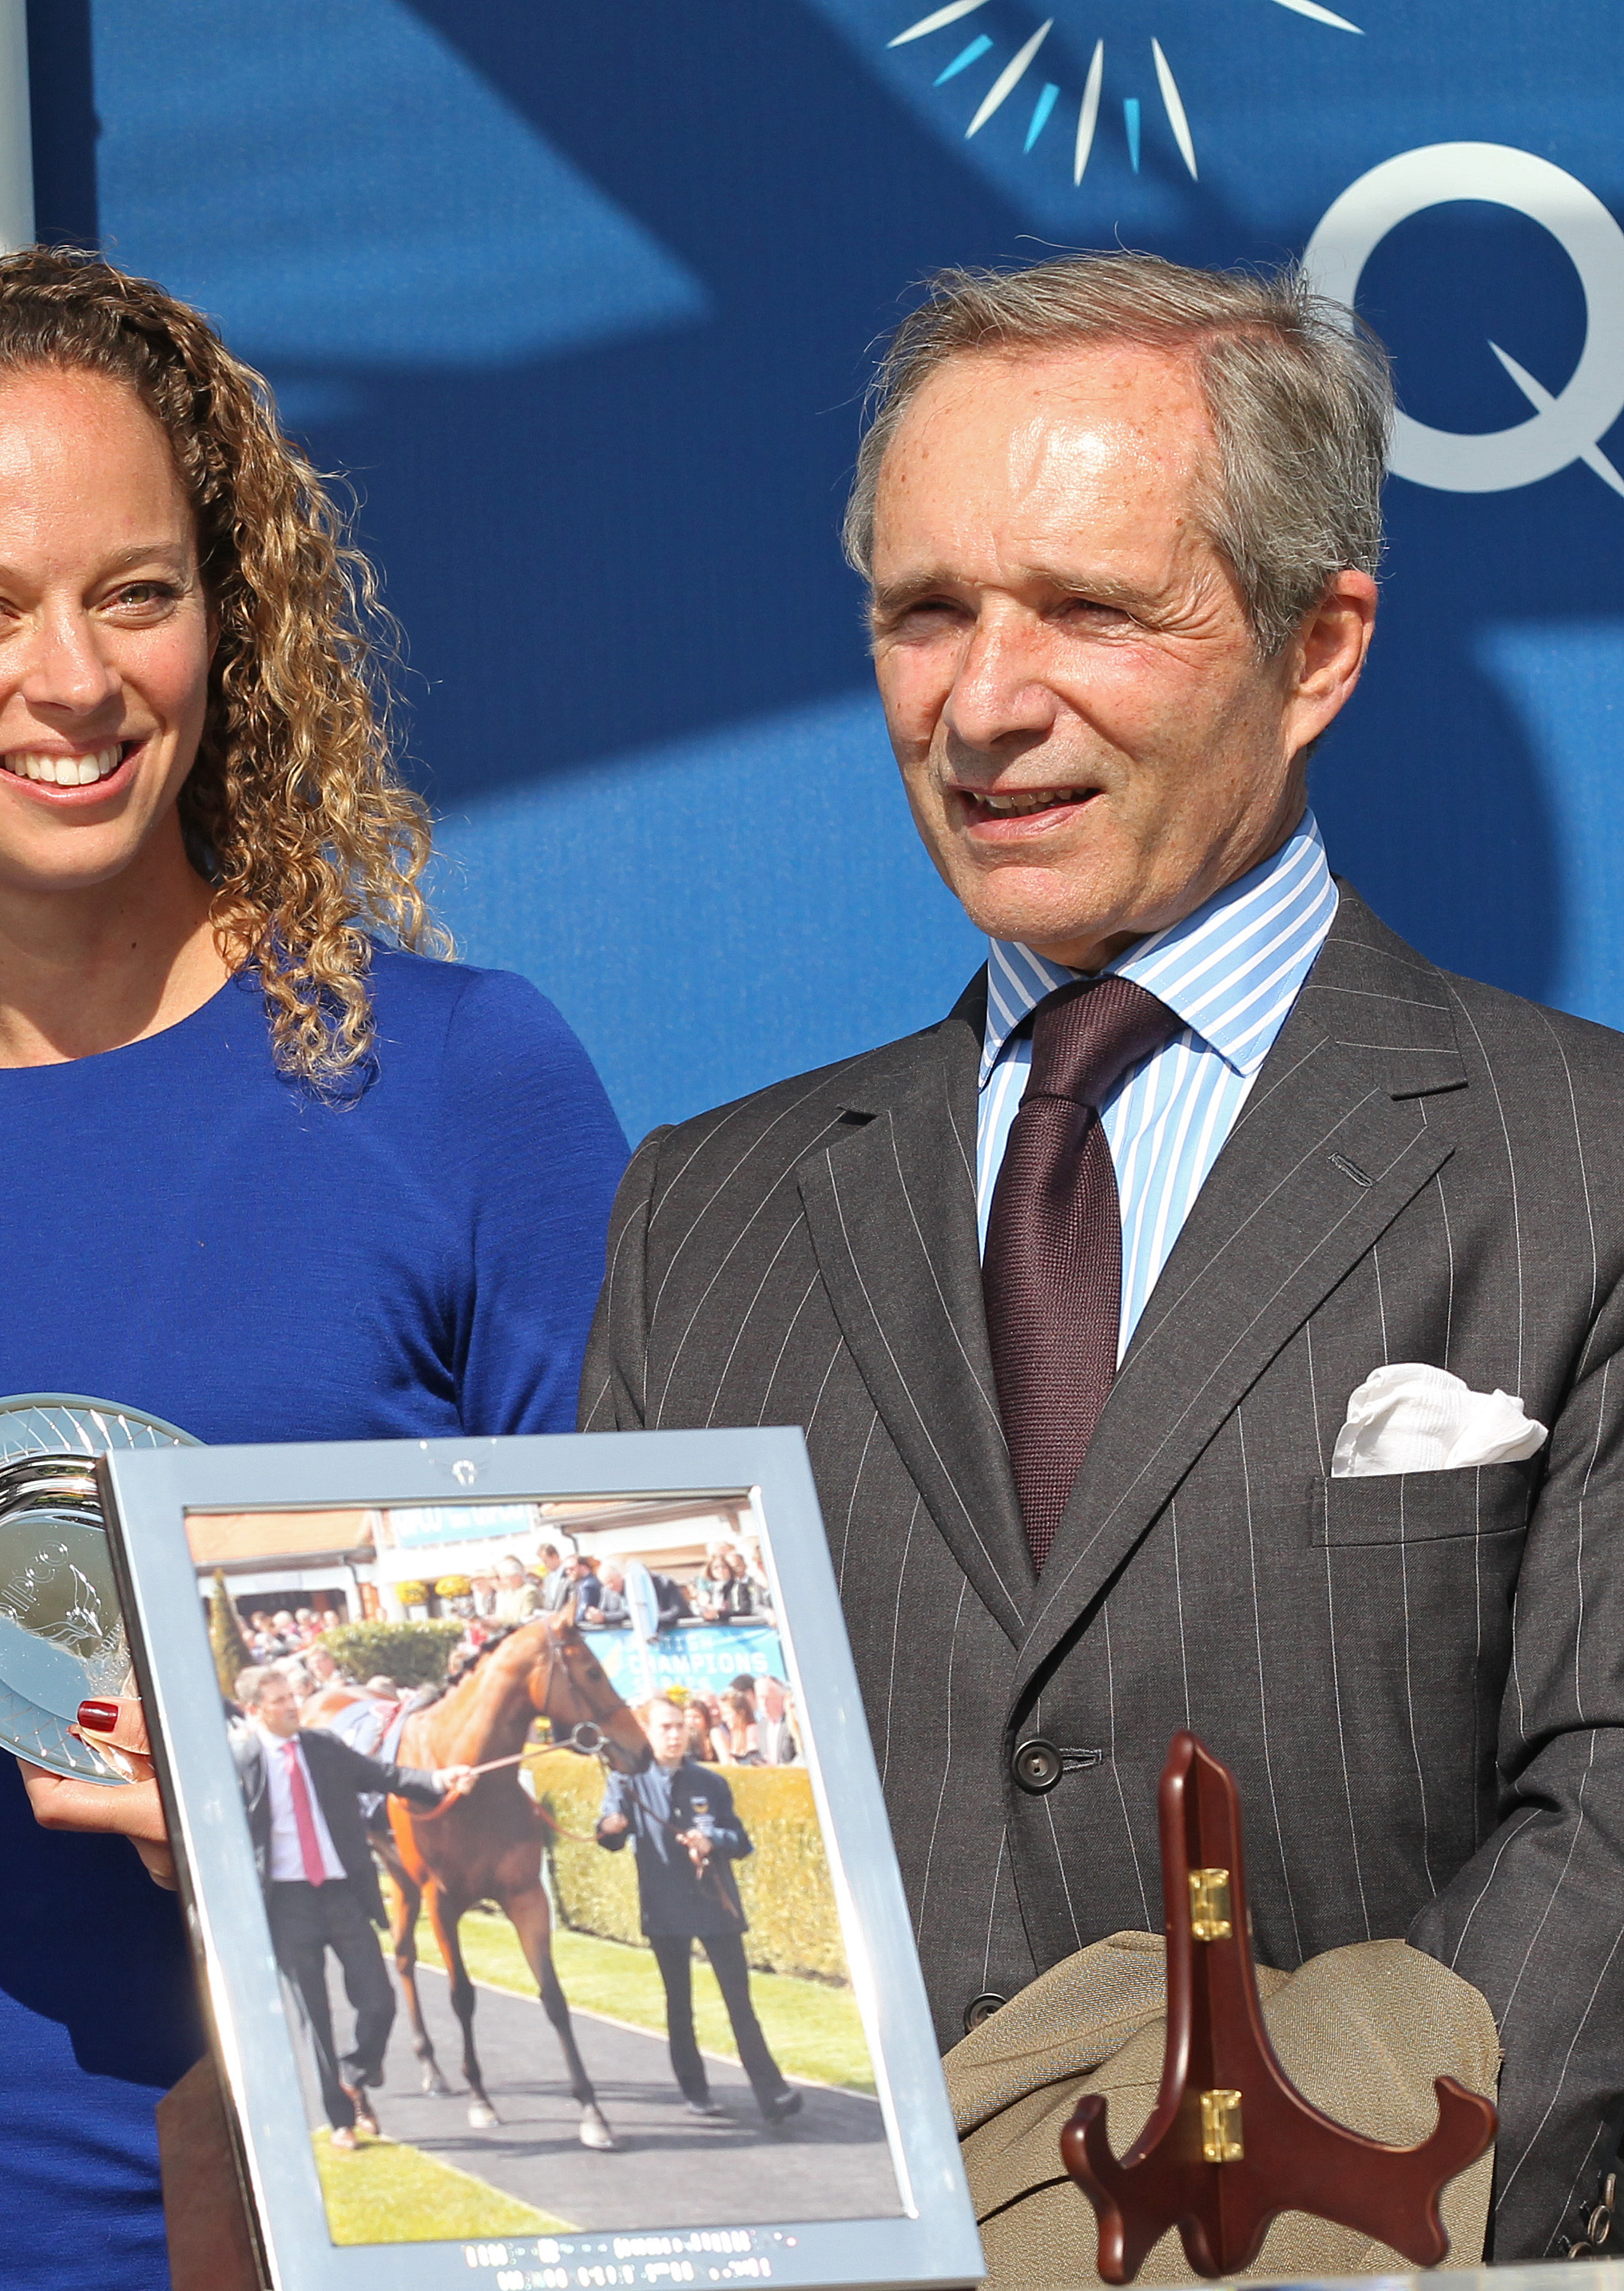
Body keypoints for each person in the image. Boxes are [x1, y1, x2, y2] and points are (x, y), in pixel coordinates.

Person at [580, 250, 1620, 2253]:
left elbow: (1614, 1813)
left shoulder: (1590, 1163)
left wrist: (1322, 2211)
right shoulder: (700, 1213)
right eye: (927, 610)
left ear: (1319, 648)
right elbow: (640, 1818)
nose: (985, 699)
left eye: (1087, 609)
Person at [0, 247, 625, 2288]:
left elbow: (649, 1740)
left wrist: (292, 1792)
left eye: (136, 592)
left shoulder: (462, 1088)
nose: (72, 678)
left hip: (355, 2235)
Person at [232, 1666, 467, 2152]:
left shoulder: (323, 1748)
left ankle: (355, 2073)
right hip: (287, 1903)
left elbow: (386, 1776)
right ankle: (341, 2119)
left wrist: (440, 1780)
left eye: (291, 1697)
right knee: (313, 2016)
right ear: (255, 1710)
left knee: (379, 1999)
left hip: (342, 1893)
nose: (292, 1706)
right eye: (278, 1701)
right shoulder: (240, 1761)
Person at [596, 1700, 800, 2125]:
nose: (675, 1735)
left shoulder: (710, 1781)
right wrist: (611, 1827)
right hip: (665, 1909)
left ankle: (772, 2093)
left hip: (714, 1906)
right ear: (648, 1733)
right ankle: (696, 2091)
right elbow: (609, 1834)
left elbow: (741, 1841)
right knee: (679, 2005)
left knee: (740, 2004)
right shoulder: (626, 1782)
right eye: (666, 1727)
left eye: (681, 1727)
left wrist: (713, 1842)